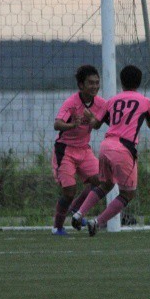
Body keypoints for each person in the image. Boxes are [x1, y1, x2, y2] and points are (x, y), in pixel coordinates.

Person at [71, 65, 150, 236]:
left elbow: (96, 125)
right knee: (127, 194)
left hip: (106, 146)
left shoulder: (112, 101)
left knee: (107, 184)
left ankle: (79, 213)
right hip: (124, 148)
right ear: (139, 82)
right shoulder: (145, 102)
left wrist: (90, 117)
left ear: (121, 82)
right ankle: (97, 222)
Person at [50, 65, 107, 236]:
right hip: (65, 150)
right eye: (91, 83)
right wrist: (72, 125)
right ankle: (57, 227)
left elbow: (111, 118)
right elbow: (57, 124)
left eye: (97, 83)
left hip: (84, 150)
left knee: (102, 181)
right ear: (81, 85)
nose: (95, 86)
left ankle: (76, 208)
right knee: (69, 192)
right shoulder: (71, 103)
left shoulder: (101, 103)